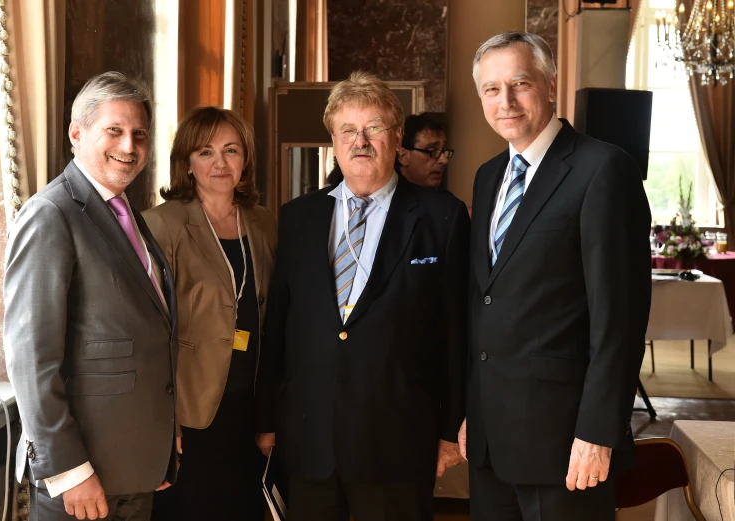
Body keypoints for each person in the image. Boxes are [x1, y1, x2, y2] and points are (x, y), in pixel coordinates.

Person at [255, 71, 469, 521]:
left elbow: (458, 333)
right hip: (311, 440)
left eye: (373, 128)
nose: (361, 141)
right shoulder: (299, 217)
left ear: (396, 138)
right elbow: (278, 325)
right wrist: (267, 418)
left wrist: (450, 431)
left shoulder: (441, 217)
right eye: (347, 130)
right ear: (333, 141)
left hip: (398, 442)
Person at [459, 32, 652, 521]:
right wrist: (471, 413)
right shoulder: (487, 177)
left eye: (519, 83)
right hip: (491, 441)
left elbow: (620, 320)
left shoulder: (603, 169)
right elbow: (486, 301)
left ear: (550, 86)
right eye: (491, 88)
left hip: (566, 441)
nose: (505, 101)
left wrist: (598, 431)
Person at [3, 71, 179, 521]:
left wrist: (159, 439)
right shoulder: (50, 214)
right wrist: (67, 471)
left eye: (139, 134)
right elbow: (31, 357)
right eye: (114, 131)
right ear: (76, 133)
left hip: (132, 468)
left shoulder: (126, 214)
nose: (129, 146)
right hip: (83, 479)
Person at [143, 106, 277, 521]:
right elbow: (148, 332)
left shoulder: (265, 223)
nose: (220, 163)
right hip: (189, 410)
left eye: (231, 150)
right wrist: (164, 423)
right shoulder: (161, 225)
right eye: (205, 152)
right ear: (186, 163)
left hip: (250, 407)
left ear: (245, 160)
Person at [397, 112, 454, 188]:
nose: (444, 160)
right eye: (433, 151)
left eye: (444, 150)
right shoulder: (384, 198)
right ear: (403, 156)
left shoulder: (448, 199)